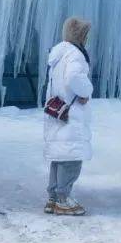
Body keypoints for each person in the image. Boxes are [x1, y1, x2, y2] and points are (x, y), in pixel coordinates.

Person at [43, 17, 94, 216]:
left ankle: (53, 198)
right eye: (85, 35)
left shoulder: (58, 54)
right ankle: (63, 199)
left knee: (58, 156)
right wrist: (85, 91)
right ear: (80, 36)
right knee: (71, 157)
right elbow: (74, 77)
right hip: (71, 115)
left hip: (58, 111)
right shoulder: (75, 54)